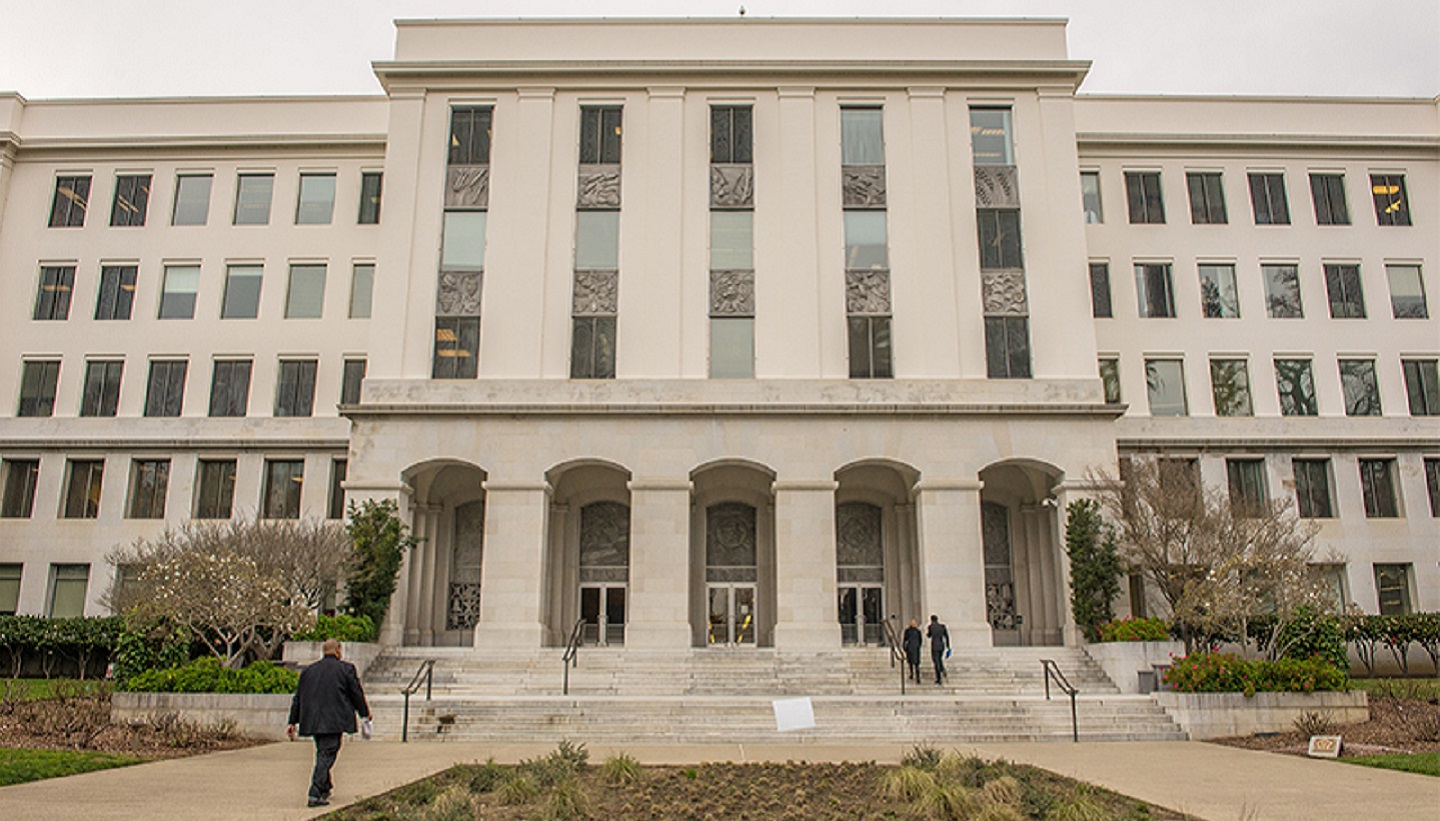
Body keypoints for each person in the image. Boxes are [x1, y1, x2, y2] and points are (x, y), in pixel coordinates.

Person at [287, 638, 371, 808]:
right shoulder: (345, 669)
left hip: (314, 719)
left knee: (323, 752)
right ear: (338, 650)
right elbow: (356, 693)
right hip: (334, 719)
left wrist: (292, 721)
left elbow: (298, 698)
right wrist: (365, 713)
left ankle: (326, 786)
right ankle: (315, 792)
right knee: (327, 753)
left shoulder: (309, 671)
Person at [926, 614, 950, 685]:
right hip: (941, 645)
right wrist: (948, 646)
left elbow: (929, 635)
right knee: (939, 659)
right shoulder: (942, 627)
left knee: (936, 661)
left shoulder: (931, 627)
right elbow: (946, 636)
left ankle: (939, 678)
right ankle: (942, 669)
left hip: (934, 645)